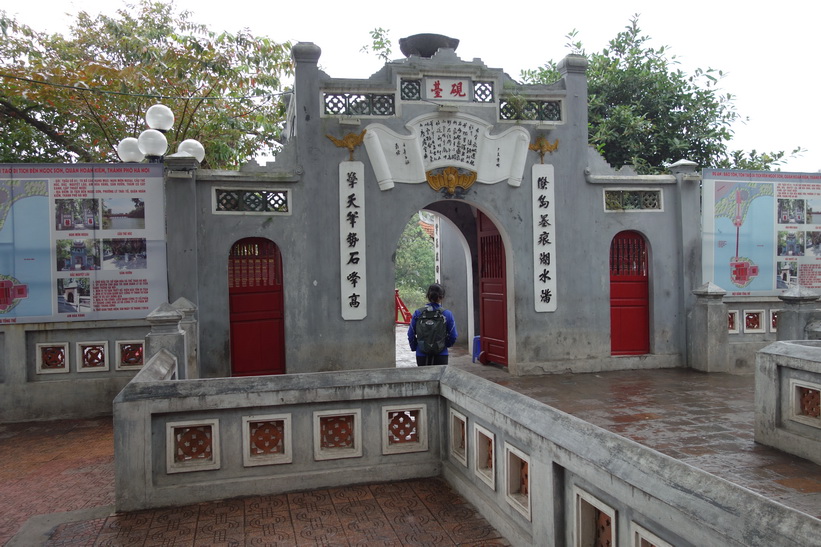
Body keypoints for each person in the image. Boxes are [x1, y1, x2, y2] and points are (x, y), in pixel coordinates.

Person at [407, 283, 457, 366]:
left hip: (421, 354)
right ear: (442, 297)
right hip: (441, 354)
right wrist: (445, 344)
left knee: (424, 378)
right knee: (440, 377)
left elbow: (411, 334)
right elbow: (453, 335)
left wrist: (415, 347)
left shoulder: (418, 313)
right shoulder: (447, 314)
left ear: (427, 296)